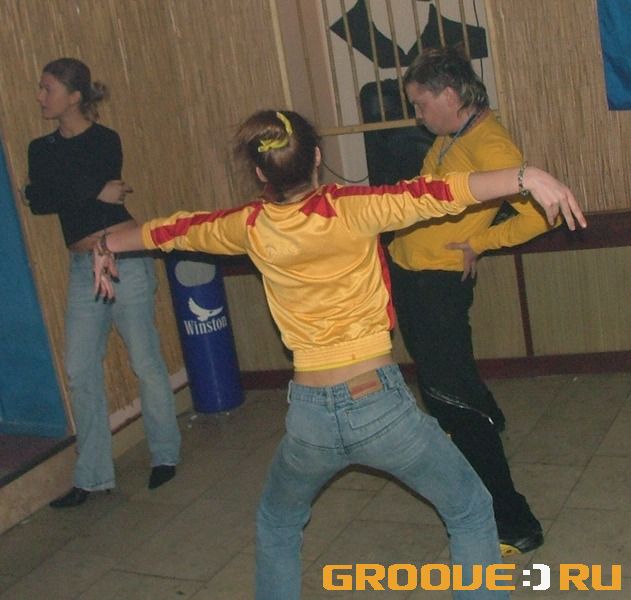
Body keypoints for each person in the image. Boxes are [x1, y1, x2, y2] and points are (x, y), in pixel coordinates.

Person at [91, 109, 585, 599]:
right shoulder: (352, 208)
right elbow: (441, 193)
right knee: (472, 509)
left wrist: (106, 244)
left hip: (309, 419)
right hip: (379, 406)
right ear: (317, 159)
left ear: (261, 173)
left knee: (278, 524)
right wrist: (526, 177)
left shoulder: (248, 225)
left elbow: (173, 230)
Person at [388, 46, 555, 555]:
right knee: (443, 385)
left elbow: (539, 214)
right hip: (413, 274)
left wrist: (481, 242)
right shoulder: (451, 136)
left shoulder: (491, 145)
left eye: (420, 104)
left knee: (450, 399)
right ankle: (485, 420)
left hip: (437, 285)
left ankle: (514, 521)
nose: (417, 115)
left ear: (449, 95)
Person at [24, 58, 181, 508]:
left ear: (74, 97)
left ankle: (165, 454)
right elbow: (42, 201)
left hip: (124, 257)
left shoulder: (105, 139)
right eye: (40, 88)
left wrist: (60, 190)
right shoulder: (40, 147)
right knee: (79, 369)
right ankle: (92, 476)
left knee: (145, 360)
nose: (40, 96)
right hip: (82, 266)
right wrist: (92, 191)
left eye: (48, 89)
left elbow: (52, 191)